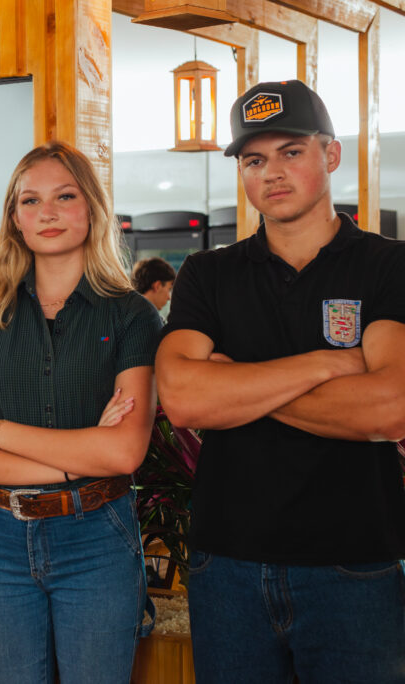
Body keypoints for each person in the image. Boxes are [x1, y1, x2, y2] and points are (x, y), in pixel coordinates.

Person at [155, 79, 405, 683]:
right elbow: (184, 398)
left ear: (331, 154)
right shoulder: (208, 274)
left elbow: (389, 408)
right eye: (254, 159)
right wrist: (327, 364)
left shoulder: (389, 265)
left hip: (356, 564)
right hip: (228, 564)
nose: (272, 172)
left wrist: (234, 386)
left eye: (291, 151)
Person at [0, 141, 161, 684]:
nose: (48, 212)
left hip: (97, 536)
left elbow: (124, 450)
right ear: (14, 218)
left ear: (92, 208)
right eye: (30, 201)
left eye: (64, 196)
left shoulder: (133, 316)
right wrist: (77, 460)